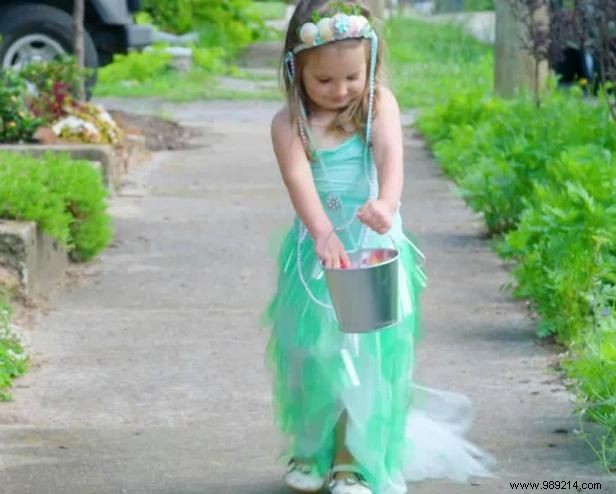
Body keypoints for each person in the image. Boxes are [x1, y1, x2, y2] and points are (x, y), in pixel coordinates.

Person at [261, 2, 494, 493]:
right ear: (294, 70)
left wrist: (387, 202)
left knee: (363, 361)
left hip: (372, 250)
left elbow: (390, 154)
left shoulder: (377, 104)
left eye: (352, 76)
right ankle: (313, 449)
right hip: (318, 253)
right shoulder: (289, 125)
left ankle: (352, 462)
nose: (340, 90)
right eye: (323, 81)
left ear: (369, 65)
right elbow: (298, 178)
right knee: (312, 352)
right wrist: (322, 230)